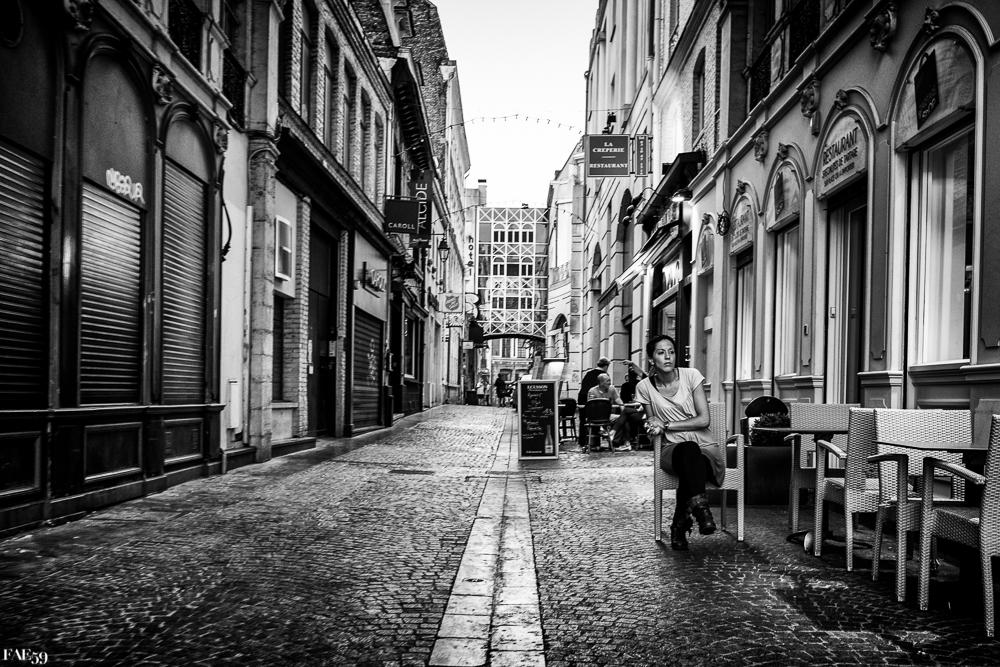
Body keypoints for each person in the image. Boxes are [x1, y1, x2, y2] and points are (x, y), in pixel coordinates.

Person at [635, 334, 724, 551]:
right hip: (670, 449)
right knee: (688, 453)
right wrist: (653, 426)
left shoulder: (691, 376)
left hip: (704, 446)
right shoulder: (644, 387)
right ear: (651, 359)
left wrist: (666, 424)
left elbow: (704, 420)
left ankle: (680, 525)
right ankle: (701, 510)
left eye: (671, 352)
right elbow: (652, 424)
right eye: (661, 352)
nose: (668, 357)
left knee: (692, 459)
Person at [577, 357, 611, 447]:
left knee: (583, 420)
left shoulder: (589, 373)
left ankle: (583, 441)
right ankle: (595, 441)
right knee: (597, 418)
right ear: (606, 366)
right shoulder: (604, 375)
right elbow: (605, 389)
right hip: (595, 398)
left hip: (582, 396)